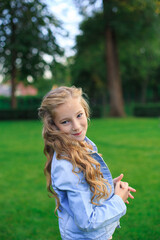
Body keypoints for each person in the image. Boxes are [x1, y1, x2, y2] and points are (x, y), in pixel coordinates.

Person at [38, 86, 136, 240]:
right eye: (65, 121)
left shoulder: (80, 145)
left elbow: (84, 190)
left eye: (79, 115)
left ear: (86, 112)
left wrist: (107, 187)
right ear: (54, 126)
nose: (76, 126)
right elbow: (88, 221)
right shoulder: (67, 166)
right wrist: (118, 199)